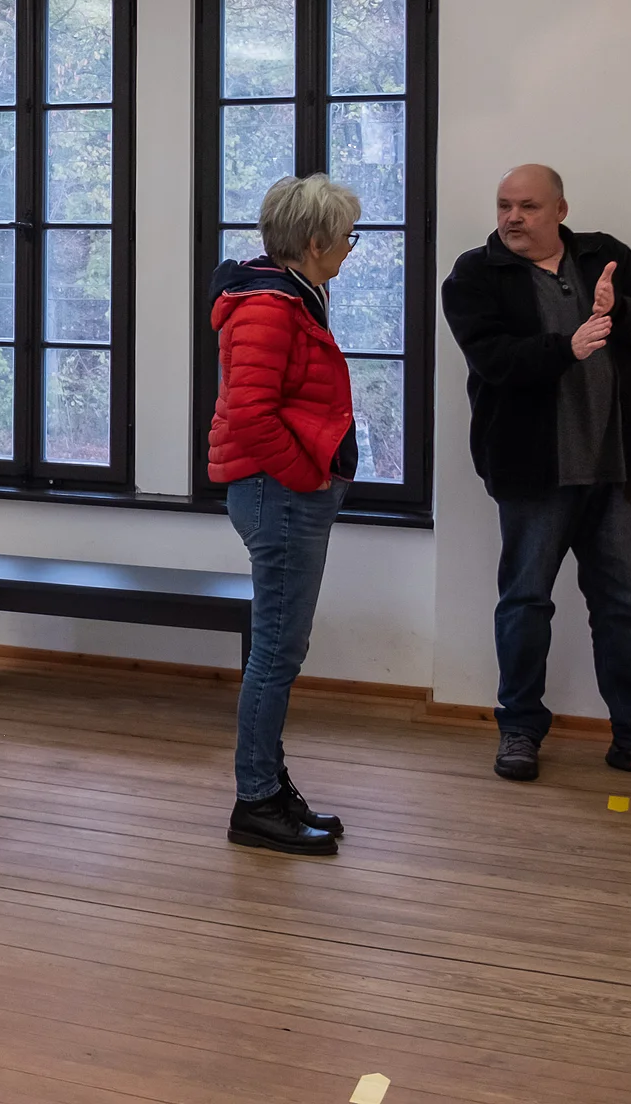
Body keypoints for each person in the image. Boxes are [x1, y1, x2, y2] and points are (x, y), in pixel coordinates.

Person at [441, 165, 631, 788]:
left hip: (614, 467)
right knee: (526, 603)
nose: (512, 218)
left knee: (623, 605)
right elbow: (493, 359)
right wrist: (568, 346)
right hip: (534, 474)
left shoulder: (604, 256)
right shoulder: (476, 274)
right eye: (505, 206)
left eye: (528, 206)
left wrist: (617, 314)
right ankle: (520, 728)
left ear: (560, 209)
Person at [207, 173, 362, 856]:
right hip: (278, 492)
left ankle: (269, 786)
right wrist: (307, 478)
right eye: (346, 237)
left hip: (285, 492)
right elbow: (250, 414)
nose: (351, 248)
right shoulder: (270, 307)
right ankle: (254, 803)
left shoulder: (295, 293)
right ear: (314, 241)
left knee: (280, 650)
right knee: (275, 652)